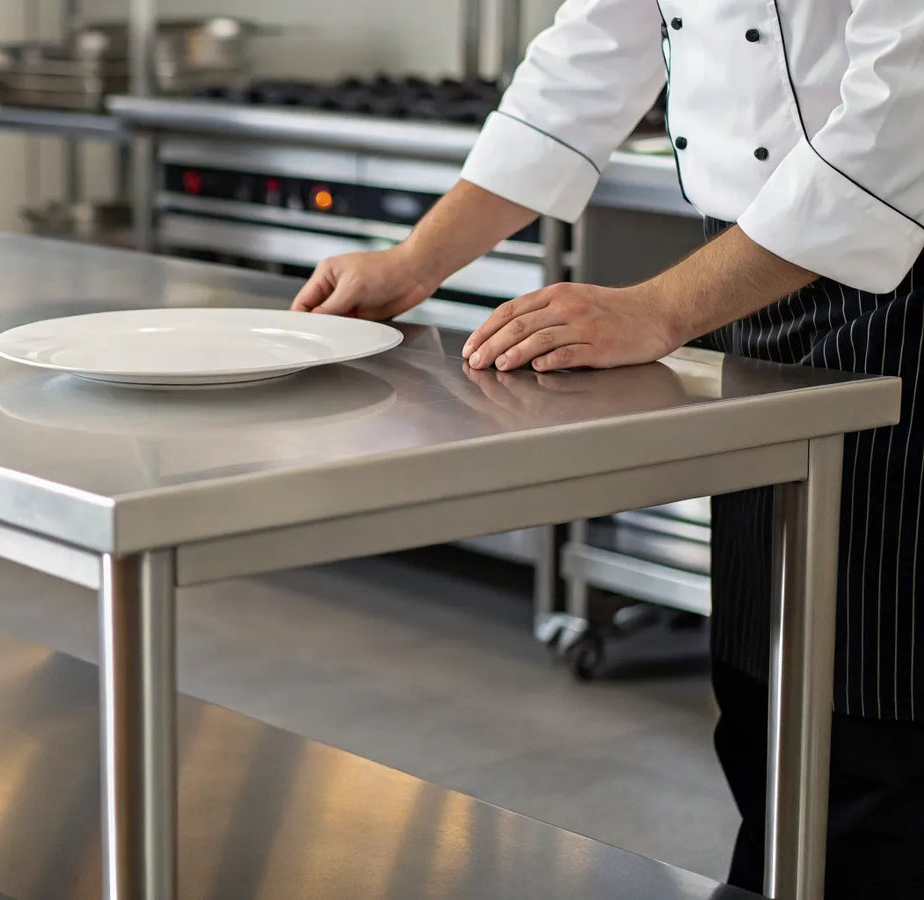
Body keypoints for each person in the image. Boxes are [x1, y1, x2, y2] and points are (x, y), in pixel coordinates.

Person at [290, 1, 924, 895]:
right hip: (755, 284)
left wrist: (661, 308)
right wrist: (417, 261)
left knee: (873, 718)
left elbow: (902, 124)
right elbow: (589, 57)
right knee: (763, 695)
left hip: (907, 292)